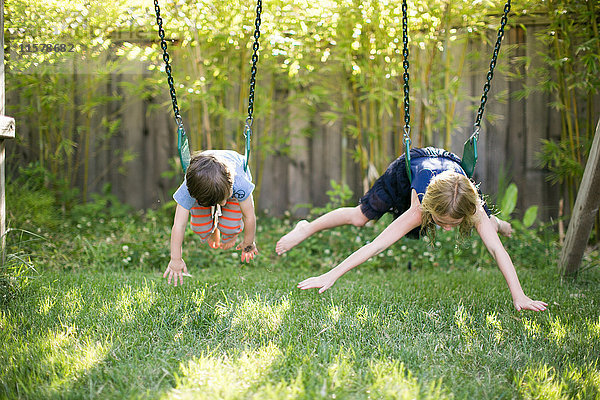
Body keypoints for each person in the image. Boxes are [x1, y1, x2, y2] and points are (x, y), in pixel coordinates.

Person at [276, 147, 547, 312]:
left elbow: (495, 249)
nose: (446, 229)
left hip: (452, 176)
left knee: (485, 228)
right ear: (428, 209)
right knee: (360, 217)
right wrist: (331, 275)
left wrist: (519, 295)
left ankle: (494, 223)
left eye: (452, 225)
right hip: (411, 170)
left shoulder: (469, 204)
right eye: (441, 222)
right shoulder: (419, 207)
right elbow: (377, 245)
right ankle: (307, 227)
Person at [164, 150, 259, 286]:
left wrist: (248, 243)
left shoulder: (239, 183)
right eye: (220, 201)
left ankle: (228, 233)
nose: (223, 204)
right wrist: (175, 259)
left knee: (231, 227)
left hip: (228, 181)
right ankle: (212, 229)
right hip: (203, 183)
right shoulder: (187, 190)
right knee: (200, 228)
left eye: (223, 199)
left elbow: (249, 216)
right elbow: (179, 225)